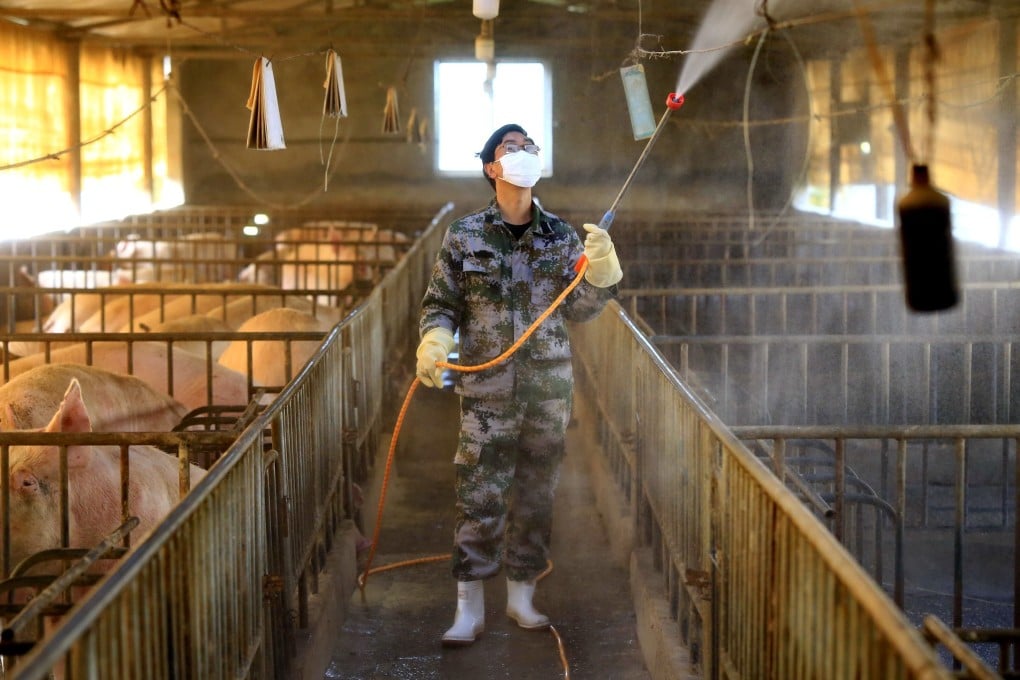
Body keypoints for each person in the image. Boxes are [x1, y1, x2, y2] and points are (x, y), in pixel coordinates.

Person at [415, 123, 623, 647]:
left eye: (530, 145)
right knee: (479, 494)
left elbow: (580, 310)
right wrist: (435, 342)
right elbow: (442, 303)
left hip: (546, 392)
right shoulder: (464, 235)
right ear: (492, 167)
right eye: (513, 146)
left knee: (535, 495)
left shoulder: (562, 236)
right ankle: (469, 607)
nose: (525, 151)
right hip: (486, 391)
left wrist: (602, 275)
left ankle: (522, 596)